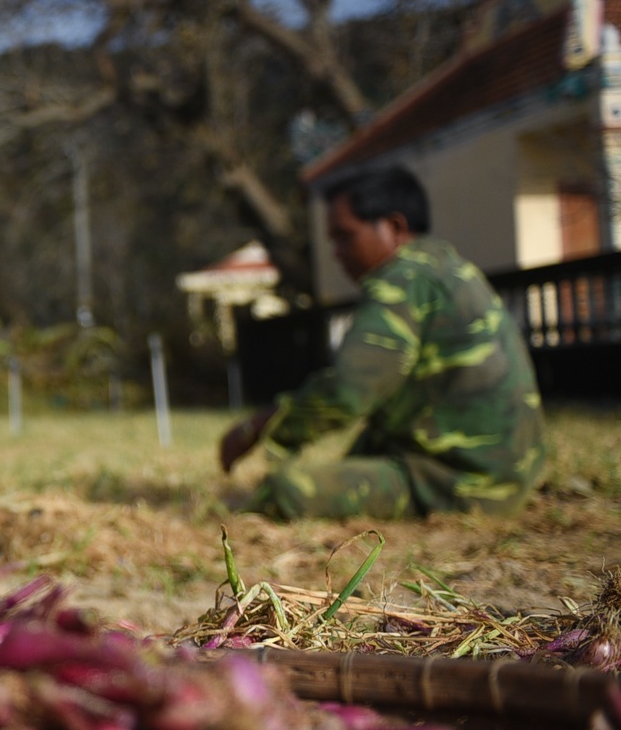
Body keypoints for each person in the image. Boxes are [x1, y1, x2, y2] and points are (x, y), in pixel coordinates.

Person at [219, 164, 547, 519]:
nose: (336, 252)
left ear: (394, 226)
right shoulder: (443, 267)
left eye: (345, 236)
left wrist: (264, 427)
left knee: (288, 489)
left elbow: (348, 391)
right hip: (502, 473)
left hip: (462, 486)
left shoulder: (402, 279)